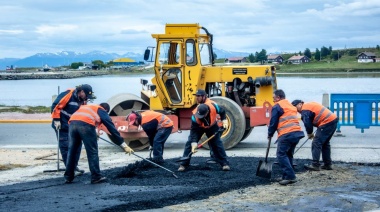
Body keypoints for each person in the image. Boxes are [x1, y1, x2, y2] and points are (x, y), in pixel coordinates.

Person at [64, 103, 134, 184]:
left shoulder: (89, 107)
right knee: (92, 151)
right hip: (85, 125)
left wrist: (94, 132)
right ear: (106, 110)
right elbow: (110, 127)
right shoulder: (101, 110)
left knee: (72, 151)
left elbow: (84, 118)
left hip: (72, 124)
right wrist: (123, 145)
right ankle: (96, 177)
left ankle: (68, 177)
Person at [51, 84, 95, 174]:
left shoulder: (83, 101)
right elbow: (55, 106)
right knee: (66, 147)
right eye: (86, 95)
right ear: (81, 92)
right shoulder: (68, 95)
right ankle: (70, 169)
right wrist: (56, 120)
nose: (87, 98)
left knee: (77, 146)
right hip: (62, 125)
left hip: (74, 126)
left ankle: (74, 166)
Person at [178, 102, 230, 172]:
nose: (200, 117)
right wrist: (194, 143)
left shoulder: (213, 107)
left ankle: (224, 163)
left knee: (217, 143)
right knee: (189, 143)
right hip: (199, 127)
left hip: (212, 126)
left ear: (207, 112)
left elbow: (222, 111)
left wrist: (224, 120)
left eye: (202, 115)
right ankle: (183, 164)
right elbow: (194, 131)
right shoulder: (194, 117)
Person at [268, 89, 305, 185]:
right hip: (296, 133)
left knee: (281, 154)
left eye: (274, 98)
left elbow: (273, 122)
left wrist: (270, 133)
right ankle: (286, 175)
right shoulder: (290, 105)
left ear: (278, 97)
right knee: (288, 154)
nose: (273, 100)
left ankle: (290, 177)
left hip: (287, 134)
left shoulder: (277, 106)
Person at [291, 100, 338, 171]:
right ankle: (327, 164)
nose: (295, 109)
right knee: (325, 143)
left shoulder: (305, 110)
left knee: (316, 142)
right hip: (333, 119)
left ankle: (315, 165)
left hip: (327, 122)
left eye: (295, 107)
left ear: (300, 104)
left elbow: (307, 123)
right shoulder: (309, 106)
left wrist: (309, 133)